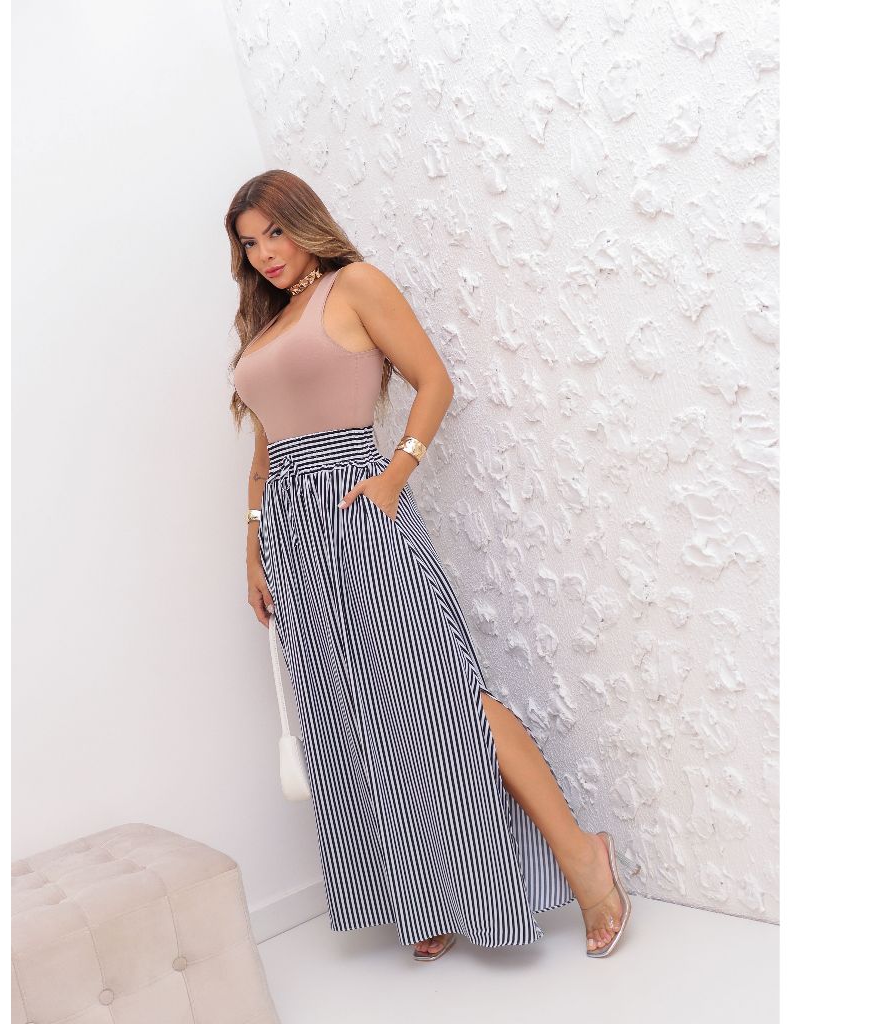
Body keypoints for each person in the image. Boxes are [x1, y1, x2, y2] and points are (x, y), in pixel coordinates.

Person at [226, 169, 631, 961]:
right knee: (355, 715)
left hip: (359, 511)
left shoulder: (354, 286)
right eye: (249, 243)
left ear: (305, 222)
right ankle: (427, 890)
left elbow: (434, 379)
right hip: (293, 540)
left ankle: (584, 858)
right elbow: (266, 454)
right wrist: (253, 550)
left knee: (444, 699)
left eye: (275, 231)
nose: (266, 252)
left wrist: (394, 475)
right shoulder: (264, 328)